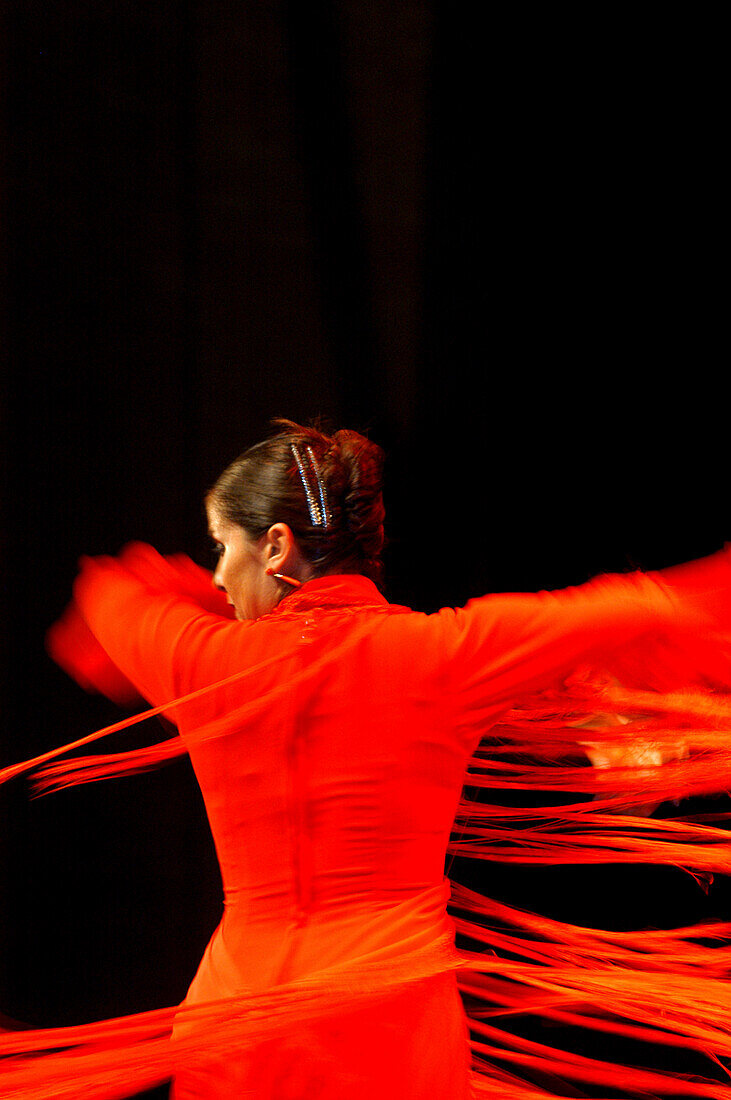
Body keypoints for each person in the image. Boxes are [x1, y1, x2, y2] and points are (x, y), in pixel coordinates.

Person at [4, 419, 731, 1099]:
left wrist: (186, 594)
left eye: (223, 547)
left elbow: (110, 593)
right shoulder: (442, 652)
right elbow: (635, 608)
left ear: (278, 546)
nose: (220, 577)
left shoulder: (204, 659)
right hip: (388, 1018)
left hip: (238, 1020)